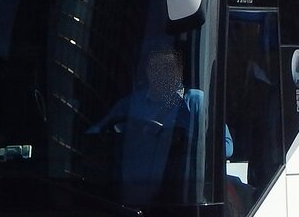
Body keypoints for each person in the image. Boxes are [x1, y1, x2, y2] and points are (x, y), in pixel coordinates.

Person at [89, 48, 231, 203]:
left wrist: (184, 144)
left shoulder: (195, 101)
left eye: (168, 68)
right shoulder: (132, 103)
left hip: (180, 194)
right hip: (129, 192)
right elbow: (97, 132)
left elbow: (226, 146)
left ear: (179, 71)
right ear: (148, 72)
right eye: (156, 68)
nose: (162, 73)